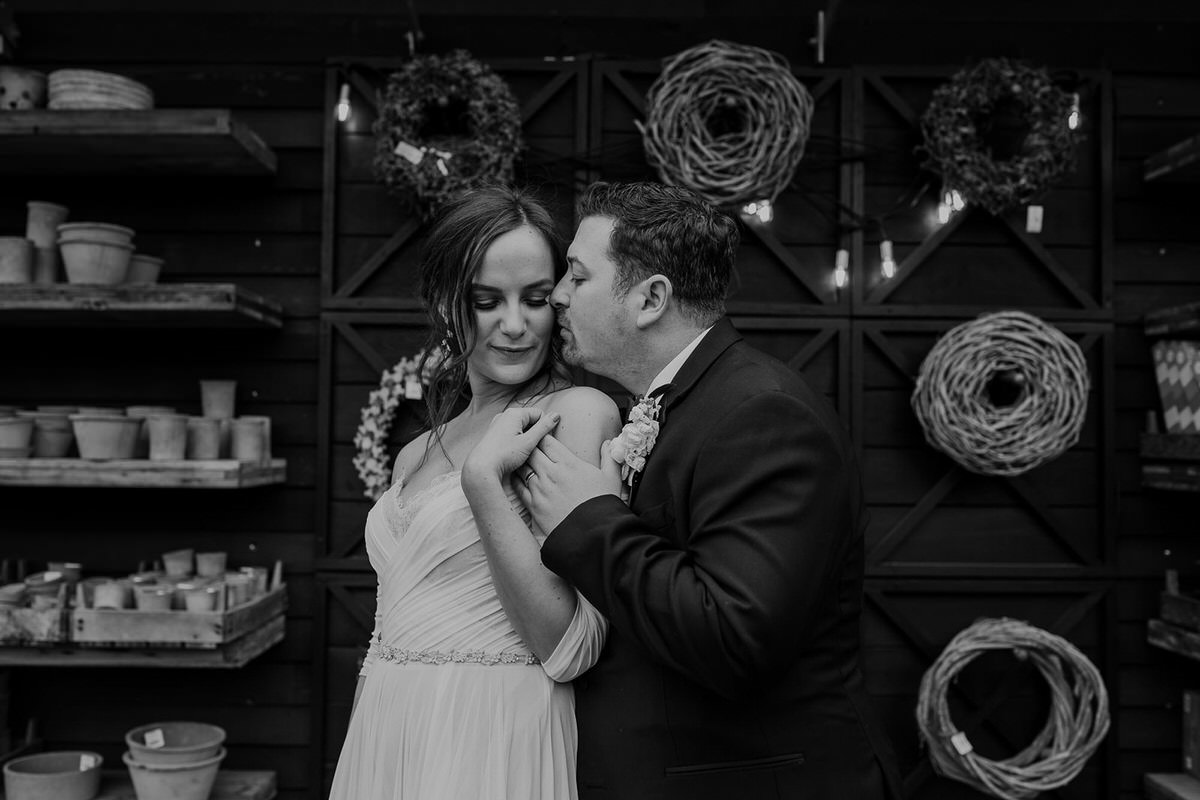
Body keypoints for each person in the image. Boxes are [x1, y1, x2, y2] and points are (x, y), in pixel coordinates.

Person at [466, 181, 903, 799]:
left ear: (650, 299)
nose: (558, 297)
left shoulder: (764, 416)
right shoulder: (678, 403)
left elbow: (733, 639)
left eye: (578, 277)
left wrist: (589, 518)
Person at [328, 185, 621, 800]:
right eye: (487, 301)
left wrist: (484, 484)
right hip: (387, 730)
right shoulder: (415, 452)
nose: (515, 325)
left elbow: (569, 647)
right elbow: (388, 631)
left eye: (536, 299)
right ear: (444, 303)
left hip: (494, 733)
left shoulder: (572, 415)